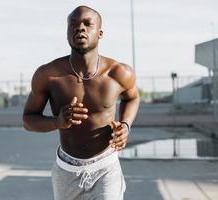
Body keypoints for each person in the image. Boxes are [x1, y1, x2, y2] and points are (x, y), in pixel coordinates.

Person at [23, 5, 140, 200]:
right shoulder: (48, 75)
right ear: (67, 32)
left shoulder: (119, 73)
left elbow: (133, 97)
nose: (80, 28)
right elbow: (28, 119)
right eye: (74, 24)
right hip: (66, 169)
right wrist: (57, 122)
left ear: (100, 33)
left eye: (87, 24)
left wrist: (126, 125)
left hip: (106, 167)